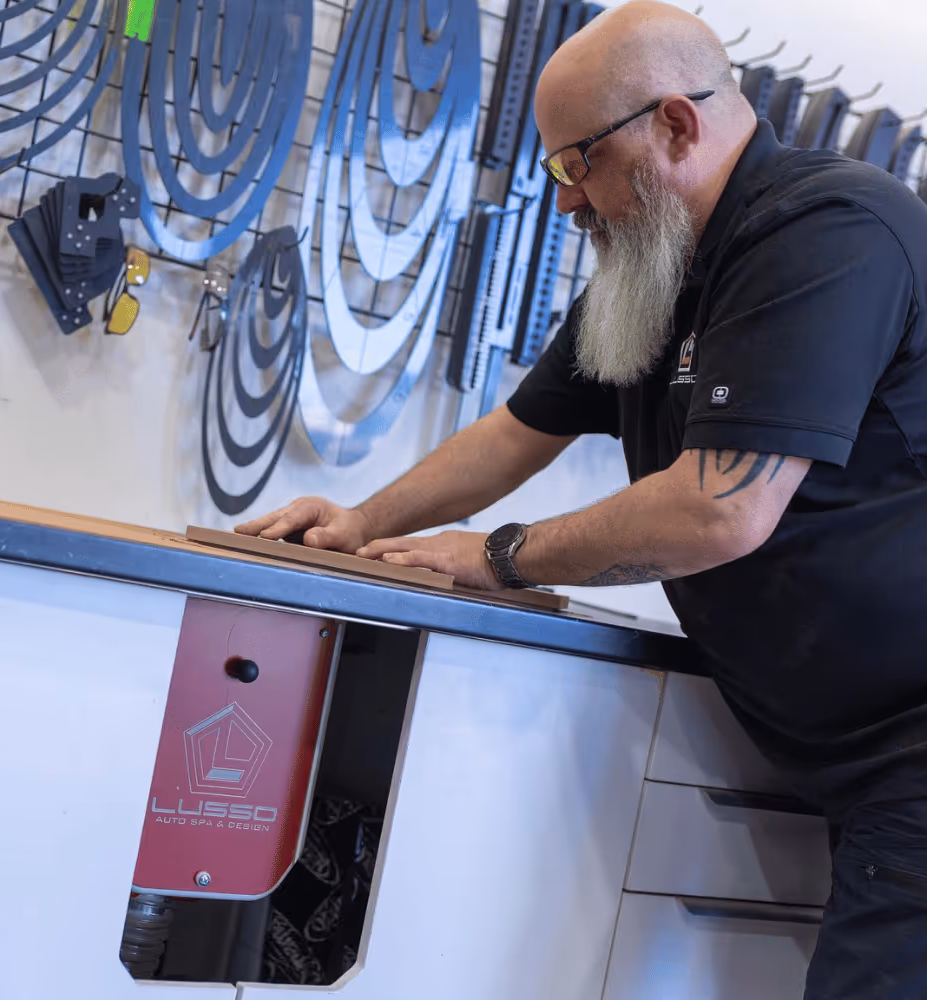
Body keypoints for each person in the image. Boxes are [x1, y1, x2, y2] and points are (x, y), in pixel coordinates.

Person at [238, 2, 927, 995]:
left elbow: (717, 509)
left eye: (578, 164)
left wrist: (500, 554)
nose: (566, 201)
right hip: (844, 751)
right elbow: (517, 432)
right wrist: (360, 521)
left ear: (675, 127)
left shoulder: (825, 235)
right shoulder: (656, 266)